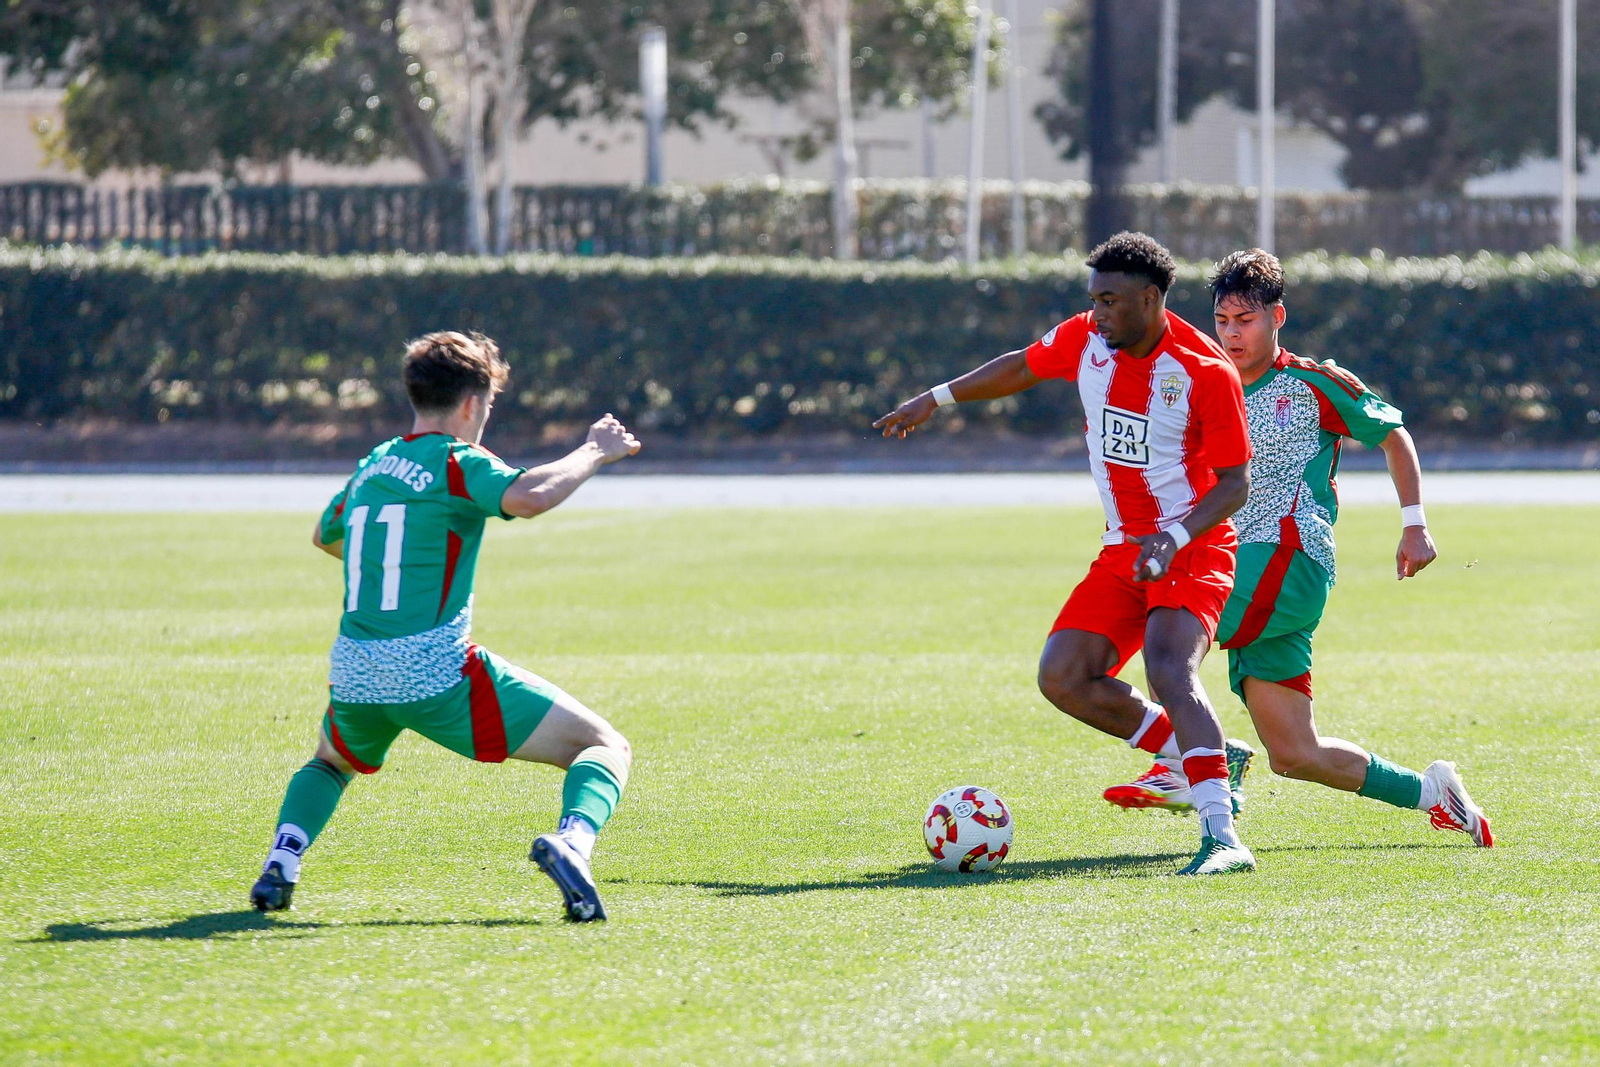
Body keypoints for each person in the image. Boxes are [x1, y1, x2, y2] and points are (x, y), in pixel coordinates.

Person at [875, 232, 1258, 875]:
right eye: (1093, 299)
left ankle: (1222, 837)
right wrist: (935, 400)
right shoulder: (1088, 338)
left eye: (1110, 301)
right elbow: (1023, 365)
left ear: (1150, 298)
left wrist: (1175, 537)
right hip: (1124, 551)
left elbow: (1235, 485)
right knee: (1062, 676)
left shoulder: (1204, 370)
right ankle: (1199, 751)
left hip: (1192, 545)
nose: (1098, 311)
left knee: (1170, 669)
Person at [1101, 248, 1492, 847]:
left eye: (1246, 320)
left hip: (1288, 555)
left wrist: (1415, 523)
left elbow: (1393, 437)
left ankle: (1202, 762)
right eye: (1222, 321)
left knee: (1169, 634)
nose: (1232, 334)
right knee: (1293, 753)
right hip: (1235, 563)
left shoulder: (1312, 383)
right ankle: (1432, 792)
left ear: (1277, 317)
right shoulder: (1200, 380)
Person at [250, 330, 643, 922]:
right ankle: (573, 844)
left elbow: (326, 534)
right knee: (603, 746)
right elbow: (530, 496)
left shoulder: (376, 464)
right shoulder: (457, 462)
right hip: (434, 671)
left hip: (356, 668)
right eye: (487, 405)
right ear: (470, 403)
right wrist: (594, 451)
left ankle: (284, 859)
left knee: (332, 761)